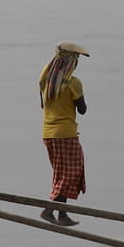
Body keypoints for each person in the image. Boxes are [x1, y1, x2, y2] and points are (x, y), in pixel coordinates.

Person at [38, 41, 89, 226]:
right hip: (65, 133)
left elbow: (43, 104)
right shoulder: (73, 82)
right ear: (71, 62)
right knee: (72, 171)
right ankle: (49, 209)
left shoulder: (46, 79)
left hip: (48, 133)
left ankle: (62, 214)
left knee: (62, 172)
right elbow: (82, 109)